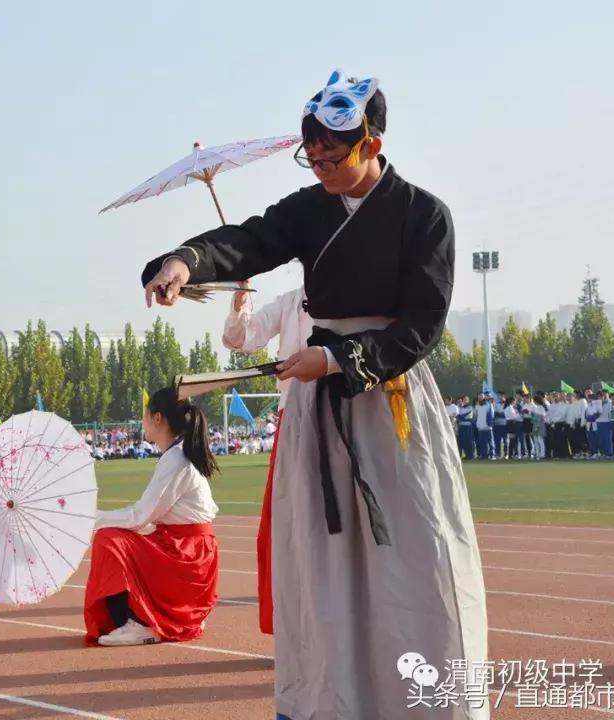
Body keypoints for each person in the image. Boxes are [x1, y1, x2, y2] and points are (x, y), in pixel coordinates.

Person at [140, 70, 487, 719]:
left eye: (333, 157)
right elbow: (248, 240)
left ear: (371, 144)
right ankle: (330, 703)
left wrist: (333, 358)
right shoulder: (309, 209)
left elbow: (421, 327)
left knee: (414, 556)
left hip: (390, 398)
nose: (321, 169)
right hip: (319, 412)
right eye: (313, 158)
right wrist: (185, 260)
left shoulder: (424, 215)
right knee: (322, 565)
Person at [83, 386, 219, 647]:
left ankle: (142, 622)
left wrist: (91, 519)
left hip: (186, 554)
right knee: (119, 537)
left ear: (157, 418)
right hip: (188, 550)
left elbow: (139, 517)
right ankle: (170, 613)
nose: (142, 422)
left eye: (144, 416)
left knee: (108, 540)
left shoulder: (176, 459)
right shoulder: (178, 454)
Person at [222, 281, 313, 634]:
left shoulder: (352, 292)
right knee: (284, 527)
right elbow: (240, 337)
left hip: (344, 413)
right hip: (293, 416)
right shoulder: (289, 302)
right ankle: (293, 626)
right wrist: (240, 299)